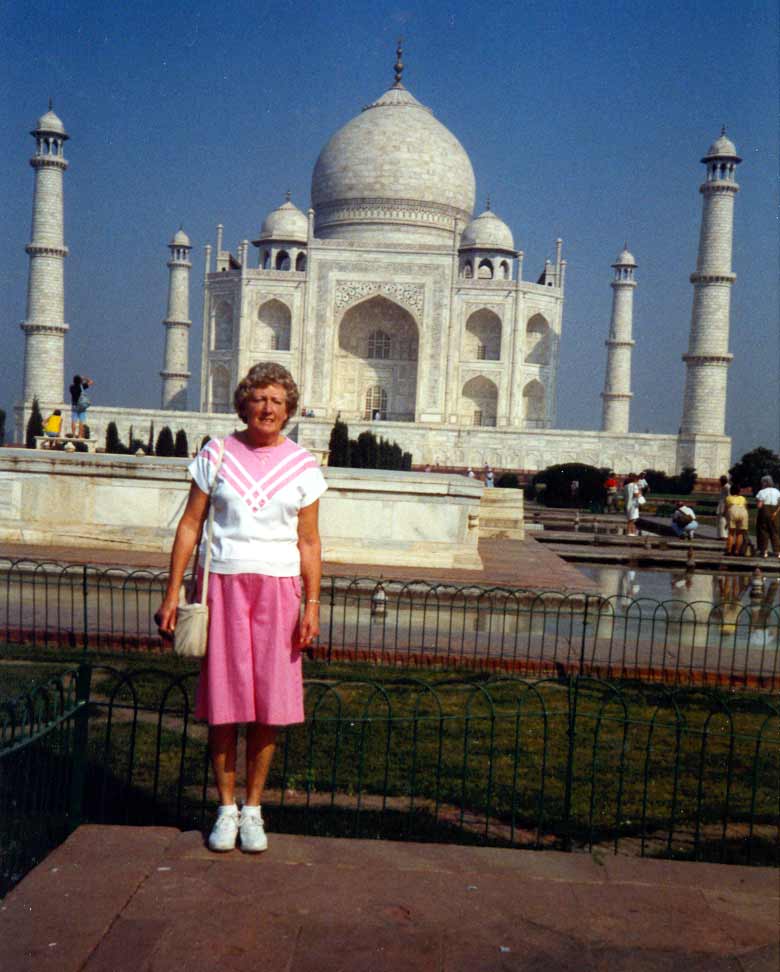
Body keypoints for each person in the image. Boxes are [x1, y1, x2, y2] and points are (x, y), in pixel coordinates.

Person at [155, 362, 327, 853]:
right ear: (244, 404)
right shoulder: (218, 453)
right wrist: (173, 591)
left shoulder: (303, 466)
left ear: (289, 408)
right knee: (226, 703)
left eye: (276, 400)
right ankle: (225, 809)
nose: (267, 407)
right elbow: (191, 524)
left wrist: (312, 602)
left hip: (279, 589)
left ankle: (254, 809)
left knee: (269, 706)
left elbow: (309, 542)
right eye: (259, 398)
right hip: (224, 586)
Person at [755, 475, 780, 558]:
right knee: (775, 532)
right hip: (775, 514)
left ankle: (764, 551)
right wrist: (776, 512)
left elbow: (759, 505)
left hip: (764, 513)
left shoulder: (762, 492)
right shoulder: (777, 491)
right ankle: (778, 552)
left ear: (765, 483)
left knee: (763, 532)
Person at [724, 483, 748, 556]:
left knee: (731, 533)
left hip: (733, 511)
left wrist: (725, 516)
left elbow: (726, 509)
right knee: (739, 533)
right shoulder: (743, 498)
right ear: (739, 491)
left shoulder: (728, 498)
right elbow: (746, 507)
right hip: (743, 512)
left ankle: (729, 550)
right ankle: (737, 551)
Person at [716, 474, 730, 540]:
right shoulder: (724, 487)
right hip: (721, 505)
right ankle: (720, 535)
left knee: (723, 521)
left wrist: (726, 508)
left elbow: (729, 497)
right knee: (720, 521)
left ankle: (723, 536)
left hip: (724, 506)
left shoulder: (727, 487)